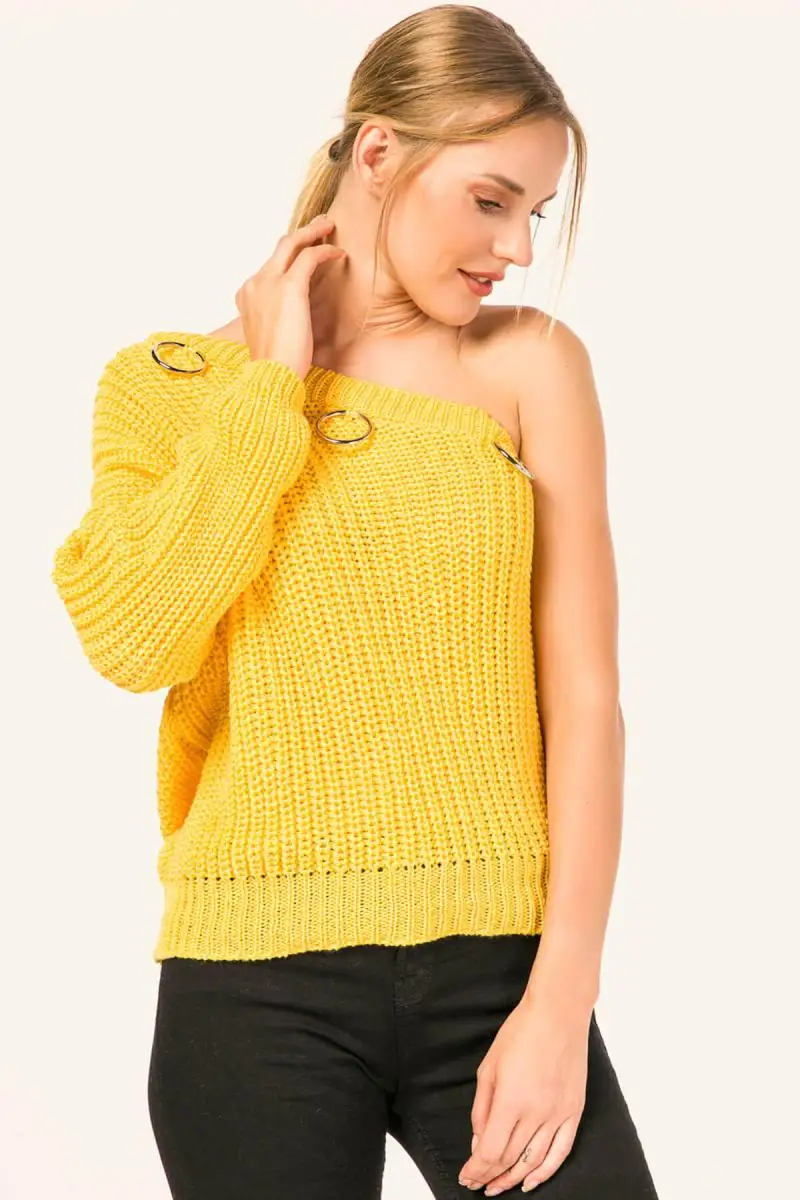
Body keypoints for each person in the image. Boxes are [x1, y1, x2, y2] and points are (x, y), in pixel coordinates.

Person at [51, 5, 660, 1197]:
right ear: (378, 152)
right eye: (489, 200)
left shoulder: (530, 365)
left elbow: (585, 702)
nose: (514, 249)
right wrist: (272, 384)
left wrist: (559, 1003)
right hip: (249, 991)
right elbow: (133, 637)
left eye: (533, 213)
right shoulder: (172, 386)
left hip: (498, 975)